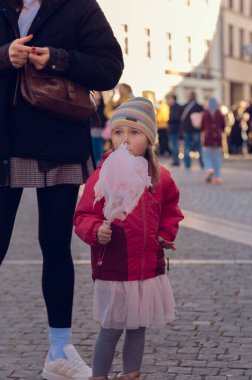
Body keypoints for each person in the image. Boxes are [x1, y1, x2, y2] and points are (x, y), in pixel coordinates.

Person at [0, 0, 123, 379]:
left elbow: (110, 68)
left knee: (56, 246)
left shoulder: (79, 6)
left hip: (58, 141)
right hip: (3, 142)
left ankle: (59, 350)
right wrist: (5, 55)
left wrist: (57, 59)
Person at [73, 97, 184, 380]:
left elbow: (171, 208)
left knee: (138, 326)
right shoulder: (103, 175)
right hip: (114, 265)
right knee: (111, 328)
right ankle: (99, 375)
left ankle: (131, 373)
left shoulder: (160, 177)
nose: (125, 139)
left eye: (134, 133)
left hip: (147, 267)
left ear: (148, 140)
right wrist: (96, 230)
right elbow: (83, 215)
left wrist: (164, 234)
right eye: (119, 132)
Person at [201, 97, 225, 184]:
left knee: (207, 156)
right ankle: (217, 177)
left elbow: (202, 127)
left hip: (208, 137)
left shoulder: (205, 113)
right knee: (217, 158)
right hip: (217, 138)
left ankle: (209, 168)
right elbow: (223, 126)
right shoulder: (219, 113)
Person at [180, 91, 203, 169]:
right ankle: (202, 163)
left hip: (186, 129)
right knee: (199, 147)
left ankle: (187, 164)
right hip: (196, 129)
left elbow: (181, 118)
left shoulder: (184, 106)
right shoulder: (199, 107)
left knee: (187, 147)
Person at [91, 92, 107, 166]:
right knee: (95, 150)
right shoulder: (91, 105)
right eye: (95, 93)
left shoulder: (104, 106)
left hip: (101, 131)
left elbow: (105, 118)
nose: (96, 95)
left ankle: (99, 165)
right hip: (92, 130)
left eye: (98, 93)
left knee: (100, 149)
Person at [167, 94, 182, 166]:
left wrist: (168, 121)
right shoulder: (172, 107)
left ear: (173, 99)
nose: (168, 100)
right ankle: (175, 161)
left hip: (175, 129)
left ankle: (176, 161)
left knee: (174, 146)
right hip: (174, 129)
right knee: (174, 145)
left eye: (169, 99)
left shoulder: (175, 107)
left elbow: (176, 118)